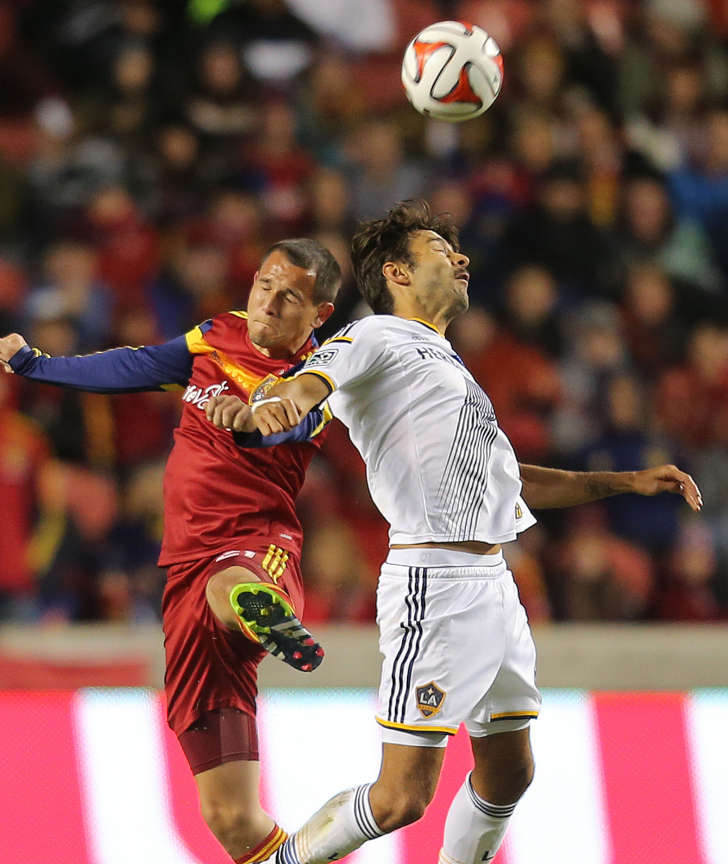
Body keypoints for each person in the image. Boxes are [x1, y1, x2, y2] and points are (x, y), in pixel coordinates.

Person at [206, 200, 702, 864]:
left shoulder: (442, 361)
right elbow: (306, 386)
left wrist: (622, 482)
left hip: (493, 586)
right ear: (397, 273)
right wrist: (272, 407)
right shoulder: (375, 335)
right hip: (432, 584)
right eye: (442, 251)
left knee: (509, 772)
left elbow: (507, 475)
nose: (462, 258)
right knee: (400, 798)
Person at [0, 238, 340, 864]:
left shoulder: (315, 385)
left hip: (255, 547)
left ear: (319, 314)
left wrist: (255, 418)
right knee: (230, 817)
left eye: (289, 296)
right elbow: (136, 365)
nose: (268, 301)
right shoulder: (217, 333)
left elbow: (285, 426)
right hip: (181, 570)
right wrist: (35, 364)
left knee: (228, 584)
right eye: (264, 283)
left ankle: (262, 613)